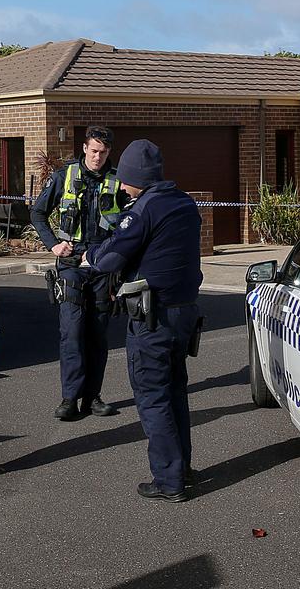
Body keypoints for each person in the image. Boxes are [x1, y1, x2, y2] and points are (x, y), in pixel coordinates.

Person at [87, 140, 203, 502]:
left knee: (153, 398)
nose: (121, 187)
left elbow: (109, 259)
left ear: (139, 177)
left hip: (153, 318)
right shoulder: (185, 203)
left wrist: (90, 253)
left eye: (125, 180)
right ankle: (181, 467)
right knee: (174, 392)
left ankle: (169, 481)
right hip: (185, 312)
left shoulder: (144, 209)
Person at [31, 126, 130, 420]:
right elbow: (37, 213)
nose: (98, 157)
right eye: (94, 150)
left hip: (102, 267)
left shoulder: (118, 182)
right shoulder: (65, 176)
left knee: (97, 335)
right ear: (85, 148)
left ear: (109, 152)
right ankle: (69, 398)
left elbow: (129, 223)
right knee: (72, 334)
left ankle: (93, 397)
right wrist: (53, 245)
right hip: (71, 266)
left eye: (104, 152)